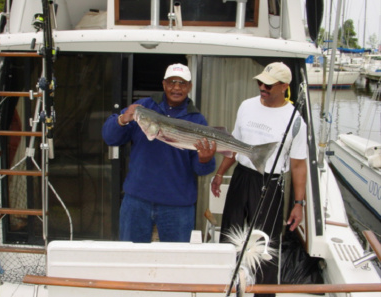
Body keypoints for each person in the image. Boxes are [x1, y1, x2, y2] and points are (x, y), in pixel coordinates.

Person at [211, 62, 307, 296]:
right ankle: (225, 288)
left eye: (269, 84)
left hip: (271, 184)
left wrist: (299, 203)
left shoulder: (296, 121)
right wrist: (220, 172)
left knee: (265, 246)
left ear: (284, 86)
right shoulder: (247, 106)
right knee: (229, 236)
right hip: (242, 177)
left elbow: (297, 165)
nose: (262, 87)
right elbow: (235, 144)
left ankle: (263, 293)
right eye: (260, 82)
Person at [102, 63, 216, 243]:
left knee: (175, 261)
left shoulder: (197, 120)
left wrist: (205, 160)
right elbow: (110, 137)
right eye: (172, 82)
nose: (176, 87)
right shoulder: (142, 108)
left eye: (182, 83)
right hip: (137, 200)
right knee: (131, 257)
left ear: (189, 87)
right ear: (163, 84)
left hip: (178, 205)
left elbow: (201, 170)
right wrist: (123, 119)